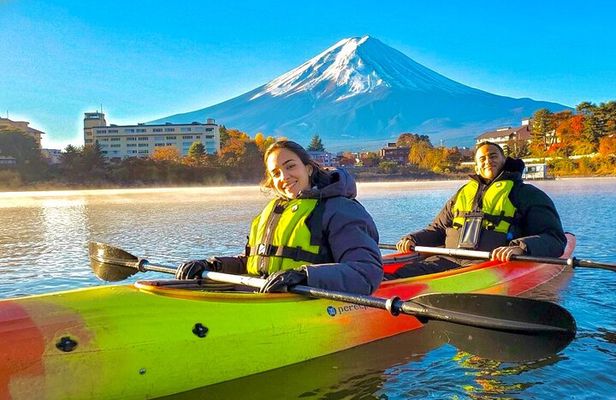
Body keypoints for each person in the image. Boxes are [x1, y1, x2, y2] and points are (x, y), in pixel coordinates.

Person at [176, 139, 383, 294]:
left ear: (309, 169)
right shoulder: (274, 210)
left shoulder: (340, 209)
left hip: (310, 300)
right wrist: (212, 265)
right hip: (265, 294)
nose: (284, 177)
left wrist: (303, 276)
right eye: (275, 173)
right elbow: (252, 262)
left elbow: (366, 272)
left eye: (290, 166)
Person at [386, 141, 566, 279]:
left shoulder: (527, 194)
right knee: (400, 274)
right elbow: (438, 229)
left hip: (493, 265)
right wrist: (413, 239)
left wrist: (520, 248)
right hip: (447, 260)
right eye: (482, 159)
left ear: (504, 160)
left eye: (493, 156)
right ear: (476, 166)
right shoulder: (463, 193)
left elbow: (554, 238)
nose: (488, 161)